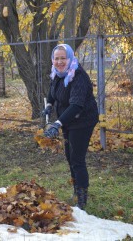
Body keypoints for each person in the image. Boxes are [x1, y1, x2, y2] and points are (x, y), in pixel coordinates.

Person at [42, 43, 99, 210]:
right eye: (56, 58)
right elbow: (52, 93)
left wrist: (57, 124)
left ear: (70, 58)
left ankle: (82, 198)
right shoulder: (58, 74)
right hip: (67, 120)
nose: (59, 62)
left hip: (83, 120)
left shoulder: (78, 75)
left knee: (77, 158)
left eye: (63, 58)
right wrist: (50, 105)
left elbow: (76, 105)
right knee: (69, 156)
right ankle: (76, 190)